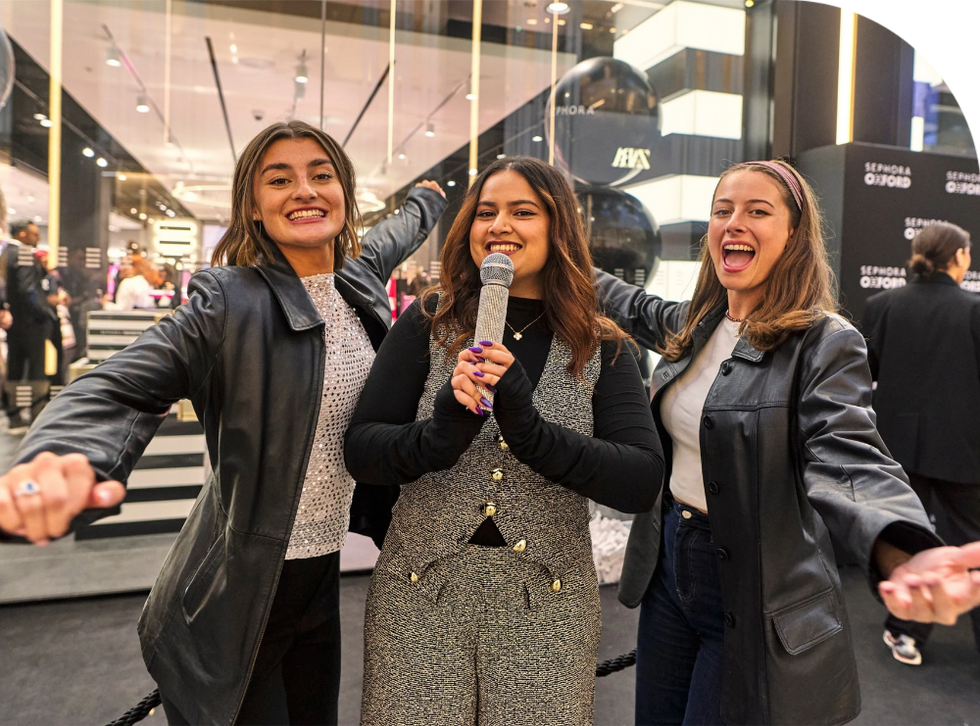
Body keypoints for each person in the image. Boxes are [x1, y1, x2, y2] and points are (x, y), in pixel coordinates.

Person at [0, 119, 447, 726]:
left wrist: (428, 199)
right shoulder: (227, 301)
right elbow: (115, 384)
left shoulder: (356, 279)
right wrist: (62, 456)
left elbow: (397, 232)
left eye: (322, 175)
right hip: (236, 594)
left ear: (344, 191)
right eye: (280, 179)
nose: (305, 190)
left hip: (320, 578)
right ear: (254, 207)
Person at [596, 159, 980, 726]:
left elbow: (849, 457)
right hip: (668, 571)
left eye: (757, 211)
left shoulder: (824, 343)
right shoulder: (696, 323)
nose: (734, 223)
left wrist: (905, 550)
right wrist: (554, 250)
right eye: (722, 211)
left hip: (750, 586)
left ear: (793, 234)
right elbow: (625, 302)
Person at [344, 156, 665, 726]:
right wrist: (439, 434)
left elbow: (639, 479)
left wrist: (531, 432)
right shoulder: (427, 320)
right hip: (420, 594)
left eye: (523, 211)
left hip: (548, 603)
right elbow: (364, 450)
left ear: (557, 226)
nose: (500, 226)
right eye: (485, 212)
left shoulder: (603, 343)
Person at [861, 221, 980, 665]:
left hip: (898, 449)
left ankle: (905, 632)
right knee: (973, 545)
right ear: (961, 256)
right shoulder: (974, 310)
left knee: (910, 542)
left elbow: (861, 377)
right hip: (964, 450)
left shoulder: (882, 305)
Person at [2, 220, 51, 430]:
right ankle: (35, 413)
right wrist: (44, 312)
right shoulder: (21, 254)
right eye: (34, 234)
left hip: (16, 322)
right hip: (30, 323)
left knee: (16, 367)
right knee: (35, 368)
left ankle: (15, 415)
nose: (37, 238)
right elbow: (26, 289)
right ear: (22, 235)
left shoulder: (7, 253)